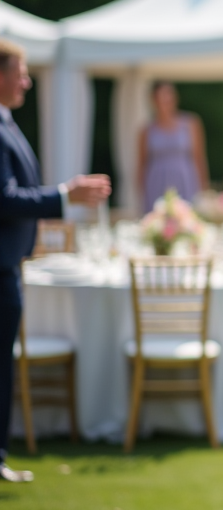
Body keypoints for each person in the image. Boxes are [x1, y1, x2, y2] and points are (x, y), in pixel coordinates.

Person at [0, 39, 110, 483]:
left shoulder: (7, 122)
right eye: (20, 71)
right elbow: (5, 199)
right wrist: (65, 195)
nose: (26, 80)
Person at [137, 80, 208, 214]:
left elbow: (199, 158)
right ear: (154, 100)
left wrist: (203, 190)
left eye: (168, 95)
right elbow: (142, 165)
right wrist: (142, 194)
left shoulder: (191, 123)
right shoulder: (146, 130)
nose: (165, 100)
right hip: (156, 183)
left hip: (185, 180)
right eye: (161, 96)